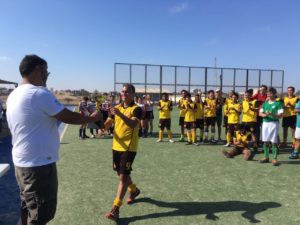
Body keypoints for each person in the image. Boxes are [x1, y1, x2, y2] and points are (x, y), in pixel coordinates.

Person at [6, 54, 102, 225]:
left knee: (27, 206)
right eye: (46, 71)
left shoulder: (14, 94)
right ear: (38, 70)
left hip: (22, 162)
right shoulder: (38, 93)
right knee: (40, 214)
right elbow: (68, 117)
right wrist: (92, 117)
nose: (47, 75)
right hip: (38, 165)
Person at [104, 83, 142, 221]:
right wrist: (99, 125)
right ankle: (134, 190)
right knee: (121, 174)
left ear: (133, 94)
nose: (124, 93)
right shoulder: (116, 108)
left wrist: (120, 114)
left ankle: (116, 208)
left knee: (122, 177)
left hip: (128, 148)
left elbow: (133, 124)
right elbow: (108, 122)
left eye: (127, 92)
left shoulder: (136, 109)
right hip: (116, 146)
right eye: (122, 91)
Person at [259, 87, 283, 166]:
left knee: (274, 141)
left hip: (274, 123)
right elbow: (260, 113)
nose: (268, 95)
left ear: (274, 94)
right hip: (265, 123)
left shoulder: (278, 103)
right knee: (265, 141)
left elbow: (280, 115)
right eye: (268, 94)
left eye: (270, 94)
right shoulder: (265, 104)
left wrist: (272, 114)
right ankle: (266, 157)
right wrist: (265, 114)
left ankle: (275, 159)